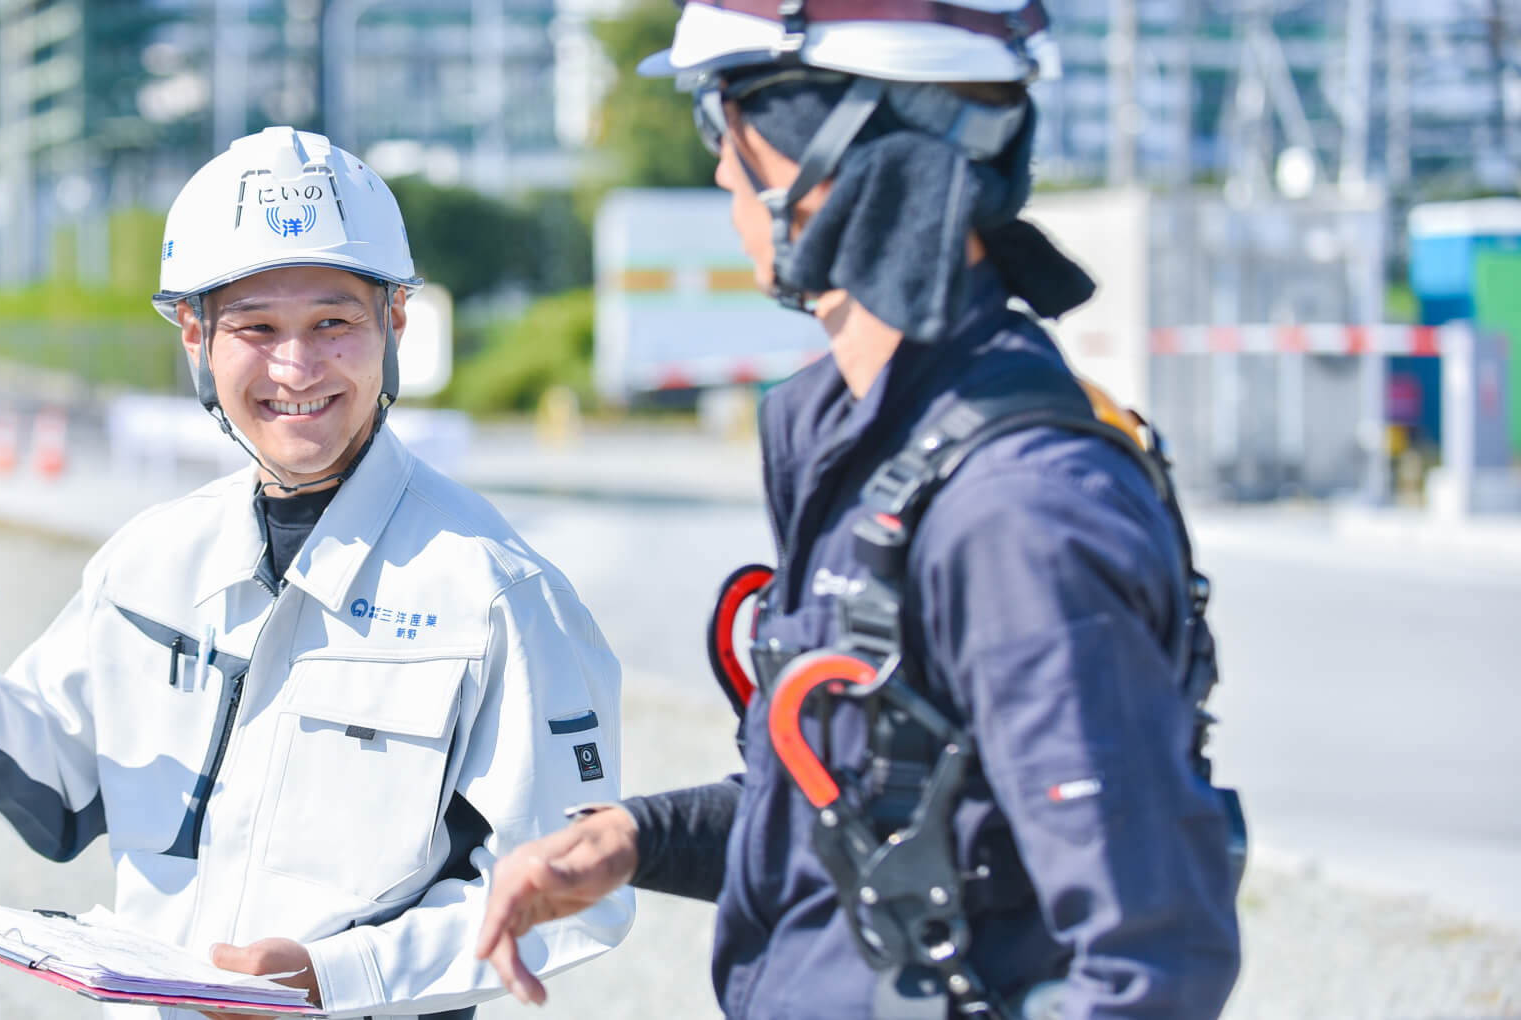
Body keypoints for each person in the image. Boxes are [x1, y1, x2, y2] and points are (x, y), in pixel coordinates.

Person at [475, 3, 1244, 1018]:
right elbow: (857, 814)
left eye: (727, 120)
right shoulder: (869, 436)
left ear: (836, 149)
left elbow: (1154, 960)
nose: (721, 170)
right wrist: (635, 837)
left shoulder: (1015, 508)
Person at [0, 126, 633, 1020]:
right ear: (195, 336)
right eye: (256, 327)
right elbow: (61, 793)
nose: (296, 367)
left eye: (333, 323)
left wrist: (336, 975)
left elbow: (579, 893)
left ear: (395, 323)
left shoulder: (496, 597)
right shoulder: (149, 562)